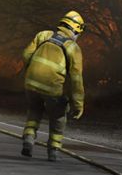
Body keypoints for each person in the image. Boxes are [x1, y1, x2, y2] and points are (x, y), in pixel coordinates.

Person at [20, 11, 85, 162]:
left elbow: (26, 55)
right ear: (75, 29)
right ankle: (53, 149)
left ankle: (29, 138)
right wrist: (78, 104)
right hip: (52, 88)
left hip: (31, 83)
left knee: (34, 110)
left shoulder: (43, 35)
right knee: (58, 117)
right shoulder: (73, 48)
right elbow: (76, 79)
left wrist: (31, 73)